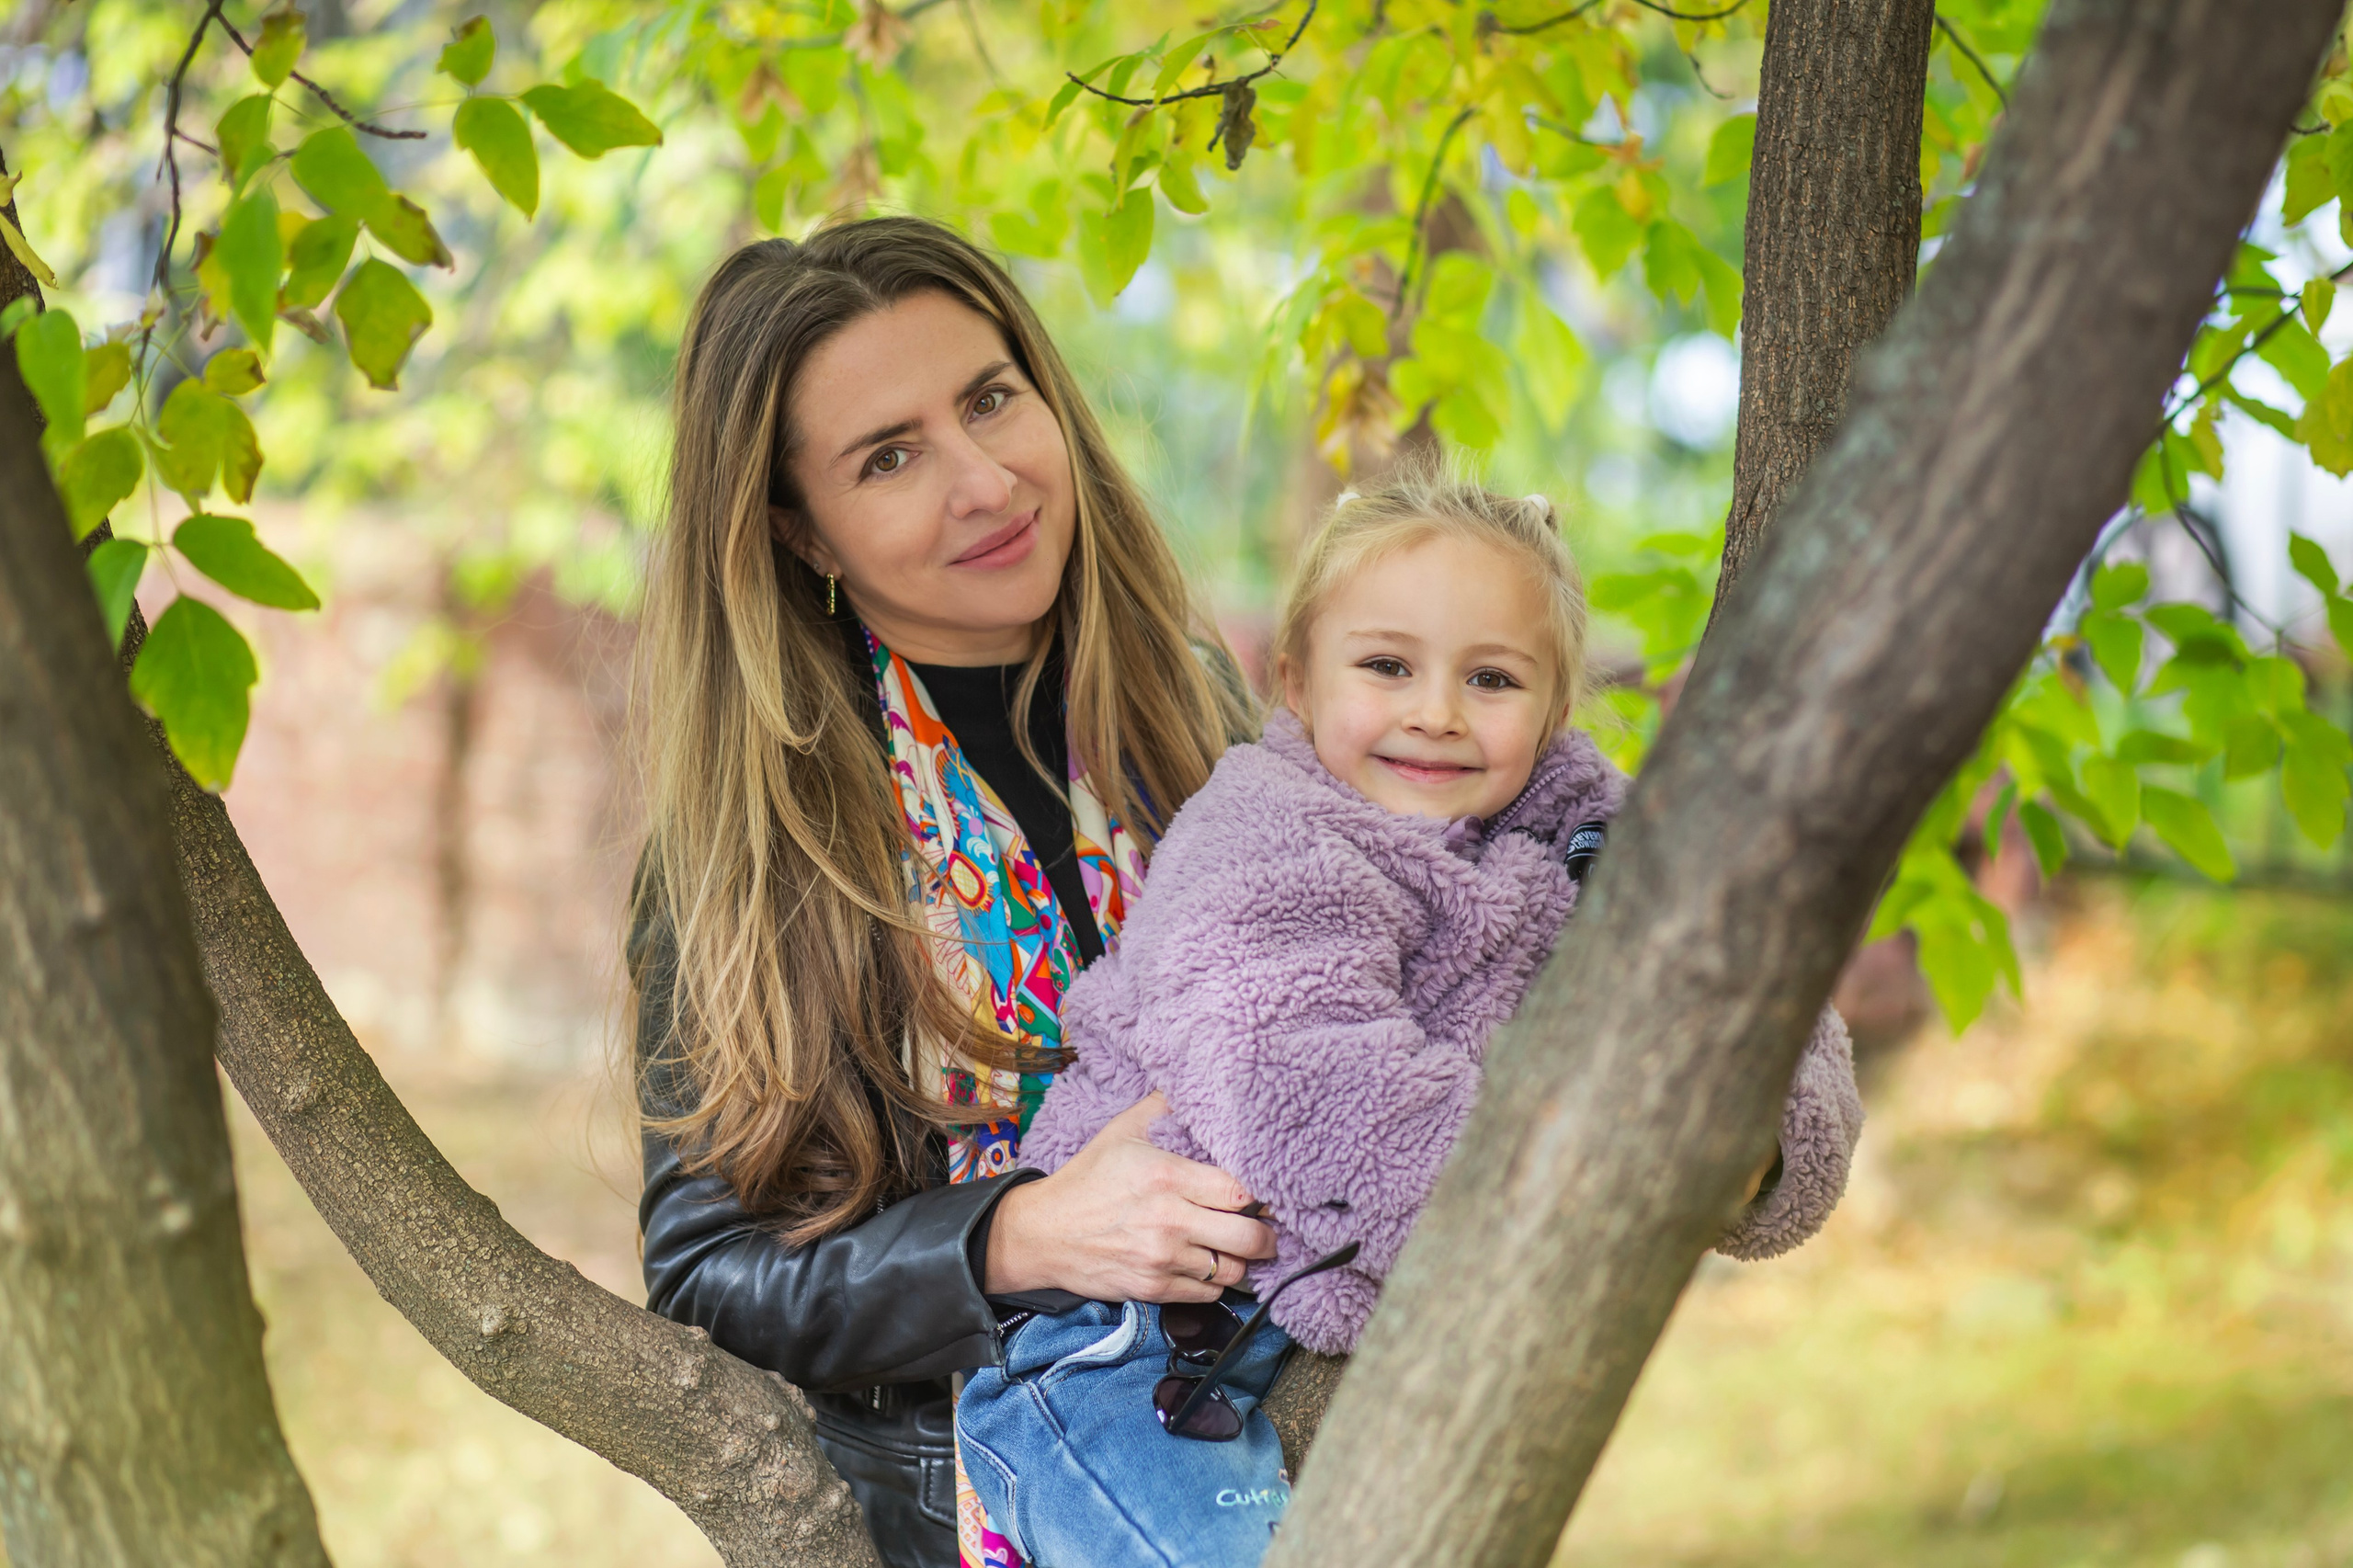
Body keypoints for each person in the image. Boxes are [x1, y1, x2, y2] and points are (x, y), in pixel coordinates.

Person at [956, 469, 1864, 1568]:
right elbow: (1305, 1079)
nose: (1435, 711)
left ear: (1556, 702)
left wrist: (1754, 1147)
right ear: (1294, 679)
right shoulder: (1264, 837)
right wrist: (1592, 1187)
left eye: (1490, 676)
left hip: (1310, 1323)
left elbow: (1752, 981)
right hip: (1113, 1342)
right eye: (1386, 665)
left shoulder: (1589, 833)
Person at [630, 215, 1279, 1568]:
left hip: (1299, 1422)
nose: (986, 481)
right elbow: (706, 1274)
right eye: (890, 455)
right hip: (956, 1511)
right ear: (800, 530)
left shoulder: (1204, 722)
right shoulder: (758, 847)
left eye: (990, 398)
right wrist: (1016, 1234)